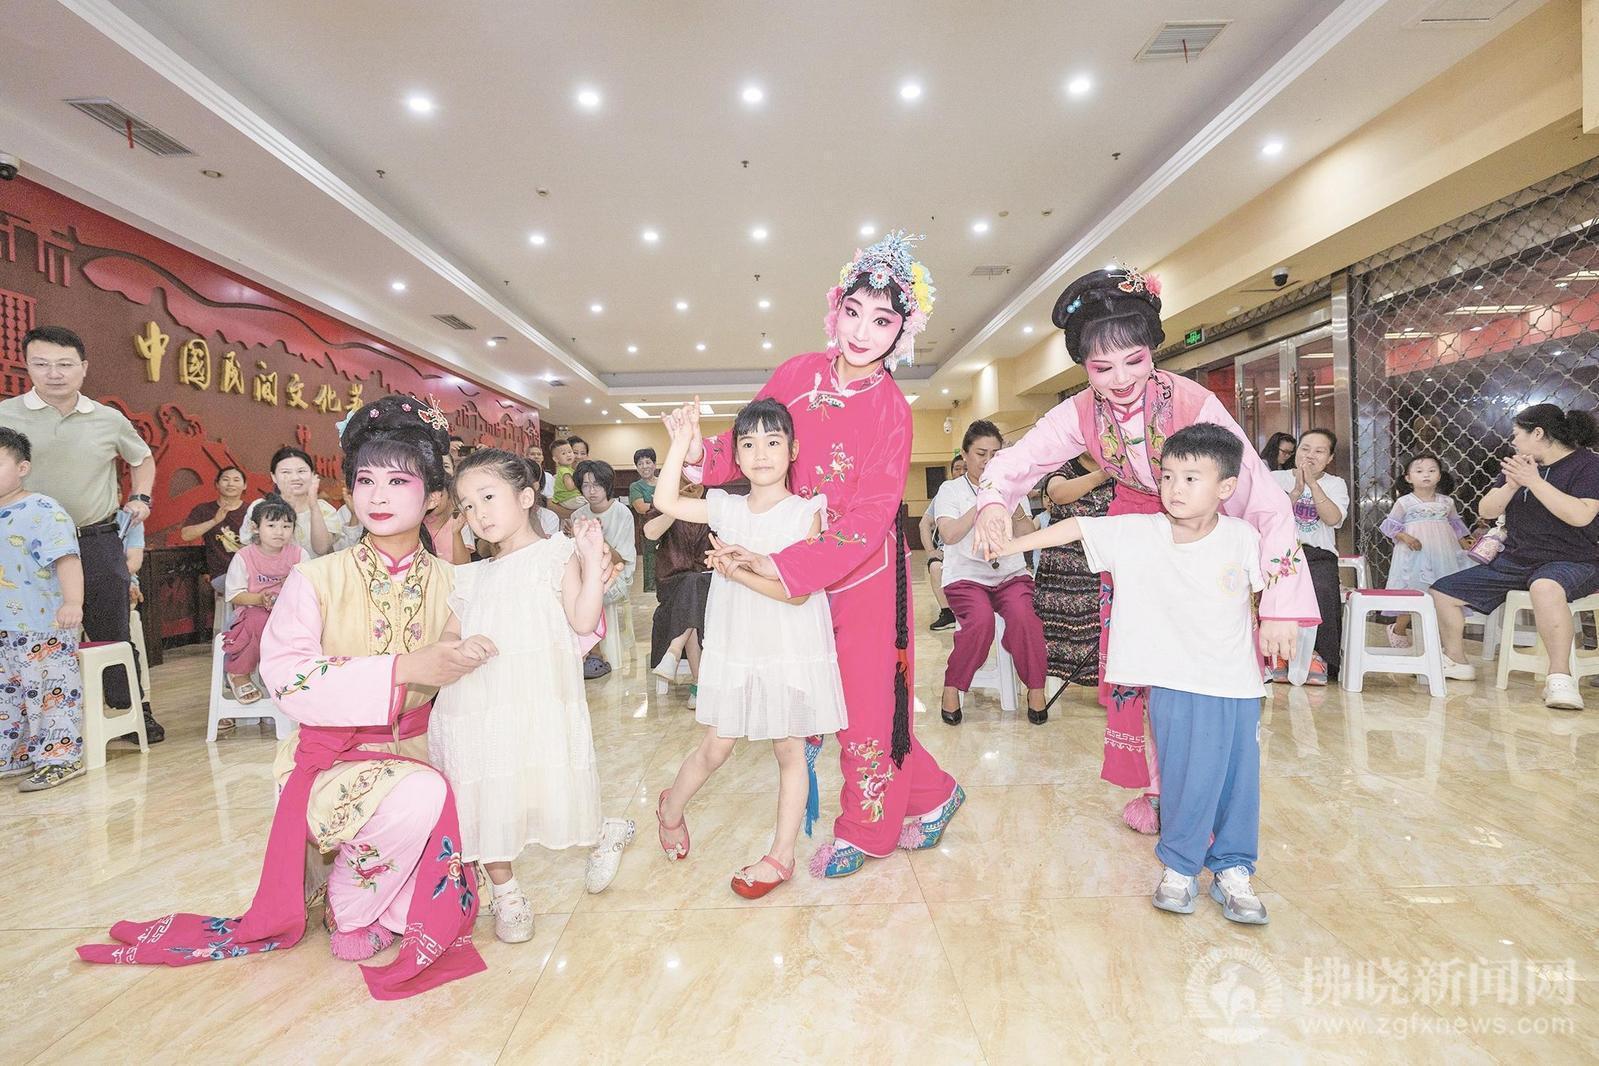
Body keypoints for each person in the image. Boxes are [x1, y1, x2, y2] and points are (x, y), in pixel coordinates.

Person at [80, 395, 489, 998]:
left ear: (431, 496)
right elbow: (289, 679)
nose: (377, 496)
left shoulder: (458, 582)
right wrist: (404, 667)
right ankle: (351, 906)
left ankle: (381, 894)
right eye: (365, 480)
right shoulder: (315, 577)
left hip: (428, 744)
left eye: (398, 481)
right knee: (422, 794)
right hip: (334, 758)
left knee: (466, 794)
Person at [970, 268, 1313, 836]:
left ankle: (1209, 794)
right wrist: (991, 504)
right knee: (1145, 662)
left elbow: (1263, 499)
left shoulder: (1195, 402)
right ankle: (1158, 791)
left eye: (1135, 360)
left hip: (1205, 541)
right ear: (1083, 367)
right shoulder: (1080, 412)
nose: (1122, 378)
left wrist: (1280, 603)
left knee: (1206, 670)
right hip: (1137, 537)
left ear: (1153, 347)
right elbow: (1017, 462)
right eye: (1102, 368)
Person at [670, 231, 962, 879]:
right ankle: (934, 792)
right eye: (853, 312)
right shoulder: (798, 373)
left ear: (902, 331)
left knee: (862, 707)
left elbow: (870, 517)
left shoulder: (892, 411)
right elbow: (753, 438)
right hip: (786, 562)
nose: (861, 331)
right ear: (836, 309)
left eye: (881, 320)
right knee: (816, 699)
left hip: (860, 575)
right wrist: (699, 454)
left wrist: (788, 568)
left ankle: (867, 828)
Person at [992, 423, 1269, 925]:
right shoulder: (1142, 532)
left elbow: (1277, 582)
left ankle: (1233, 868)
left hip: (1236, 685)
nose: (1175, 489)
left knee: (1238, 782)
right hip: (1173, 683)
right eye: (1167, 477)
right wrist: (1010, 545)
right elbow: (1077, 528)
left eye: (1191, 478)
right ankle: (1180, 867)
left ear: (1226, 487)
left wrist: (1281, 624)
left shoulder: (1244, 537)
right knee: (1181, 780)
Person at [431, 449, 635, 944]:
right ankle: (507, 894)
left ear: (525, 498)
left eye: (488, 497)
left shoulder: (555, 555)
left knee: (547, 782)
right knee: (483, 797)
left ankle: (602, 831)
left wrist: (591, 561)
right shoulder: (470, 575)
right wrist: (457, 646)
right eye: (467, 505)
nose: (478, 513)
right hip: (477, 705)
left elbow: (583, 620)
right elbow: (446, 639)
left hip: (538, 697)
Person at [654, 399, 847, 898]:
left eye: (773, 441)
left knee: (790, 749)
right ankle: (669, 810)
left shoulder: (808, 512)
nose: (761, 453)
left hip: (790, 642)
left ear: (793, 450)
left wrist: (738, 571)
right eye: (748, 443)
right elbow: (667, 500)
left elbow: (797, 593)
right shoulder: (726, 506)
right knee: (717, 746)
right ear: (736, 456)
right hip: (738, 643)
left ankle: (781, 856)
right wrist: (682, 442)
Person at [0, 326, 162, 743]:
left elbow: (141, 459)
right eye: (42, 364)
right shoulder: (5, 415)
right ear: (27, 366)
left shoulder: (108, 419)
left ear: (84, 368)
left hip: (95, 538)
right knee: (25, 633)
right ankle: (28, 727)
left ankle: (131, 712)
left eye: (64, 364)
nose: (54, 373)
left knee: (112, 628)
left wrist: (140, 496)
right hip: (22, 548)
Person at [1430, 405, 1599, 711]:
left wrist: (1534, 482)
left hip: (1574, 560)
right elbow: (1486, 511)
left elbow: (1580, 515)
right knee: (1443, 592)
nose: (1513, 442)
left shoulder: (1587, 464)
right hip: (1518, 560)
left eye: (1517, 435)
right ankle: (1456, 660)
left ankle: (1560, 678)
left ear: (1538, 433)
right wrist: (1510, 485)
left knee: (1544, 586)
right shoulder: (1520, 465)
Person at [931, 420, 1050, 725]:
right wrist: (985, 500)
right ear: (965, 454)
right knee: (980, 621)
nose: (987, 461)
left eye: (994, 455)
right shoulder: (950, 490)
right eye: (980, 454)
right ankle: (953, 685)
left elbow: (1026, 535)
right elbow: (949, 535)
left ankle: (1036, 688)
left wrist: (1013, 504)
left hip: (1009, 574)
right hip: (966, 577)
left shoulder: (1011, 487)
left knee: (1025, 618)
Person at [0, 427, 87, 792]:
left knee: (52, 693)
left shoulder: (43, 510)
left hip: (43, 625)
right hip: (5, 627)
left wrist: (73, 602)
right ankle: (15, 756)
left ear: (22, 468)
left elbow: (66, 558)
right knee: (9, 695)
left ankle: (60, 758)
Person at [1269, 429, 1348, 686]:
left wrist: (1313, 485)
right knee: (1276, 592)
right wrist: (1295, 492)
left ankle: (1318, 655)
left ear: (1330, 458)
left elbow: (1333, 519)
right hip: (1281, 552)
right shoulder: (1275, 478)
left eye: (1319, 451)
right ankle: (1279, 653)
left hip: (1318, 555)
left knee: (1321, 588)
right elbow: (1270, 518)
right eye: (1305, 449)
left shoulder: (1335, 484)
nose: (1310, 455)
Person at [1033, 455, 1115, 690]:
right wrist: (1105, 473)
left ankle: (1111, 687)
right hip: (1066, 570)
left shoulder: (1123, 469)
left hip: (1106, 563)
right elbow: (1058, 493)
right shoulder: (1063, 466)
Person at [220, 494, 303, 713]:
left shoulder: (298, 554)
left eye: (286, 526)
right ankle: (239, 673)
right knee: (258, 621)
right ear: (256, 528)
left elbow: (310, 586)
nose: (279, 531)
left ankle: (292, 674)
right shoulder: (244, 556)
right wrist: (259, 599)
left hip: (289, 612)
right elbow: (235, 595)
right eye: (272, 525)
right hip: (252, 610)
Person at [1382, 453, 1472, 647]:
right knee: (1413, 590)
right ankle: (1398, 629)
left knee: (1443, 592)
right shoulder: (1404, 502)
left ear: (1439, 476)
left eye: (1432, 471)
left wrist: (1465, 544)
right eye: (1419, 471)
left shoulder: (1447, 502)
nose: (1426, 474)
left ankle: (1441, 639)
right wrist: (1406, 537)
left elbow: (1456, 526)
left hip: (1443, 554)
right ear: (1408, 478)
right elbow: (1390, 526)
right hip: (1414, 554)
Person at [645, 480, 713, 709]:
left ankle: (673, 653)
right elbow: (651, 533)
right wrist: (674, 504)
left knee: (694, 587)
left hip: (708, 581)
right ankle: (698, 684)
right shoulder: (664, 499)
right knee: (691, 591)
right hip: (672, 583)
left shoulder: (714, 500)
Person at [572, 458, 637, 680]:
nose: (591, 491)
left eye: (597, 485)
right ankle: (583, 654)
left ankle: (594, 653)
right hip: (587, 575)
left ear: (607, 485)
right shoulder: (578, 515)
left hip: (616, 575)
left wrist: (600, 539)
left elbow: (623, 560)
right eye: (586, 485)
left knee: (589, 593)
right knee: (569, 592)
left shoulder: (622, 513)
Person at [239, 446, 346, 559]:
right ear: (274, 477)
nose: (295, 477)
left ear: (312, 474)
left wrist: (313, 504)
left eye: (301, 471)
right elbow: (250, 549)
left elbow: (321, 549)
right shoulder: (260, 507)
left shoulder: (324, 509)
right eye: (286, 472)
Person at [180, 465, 248, 601]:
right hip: (221, 574)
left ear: (244, 485)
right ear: (217, 484)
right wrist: (214, 521)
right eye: (226, 479)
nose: (230, 484)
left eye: (236, 480)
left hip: (250, 572)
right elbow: (185, 535)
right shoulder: (204, 510)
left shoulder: (253, 510)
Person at [919, 453, 966, 632]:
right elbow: (924, 524)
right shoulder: (944, 494)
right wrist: (931, 551)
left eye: (965, 468)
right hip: (947, 549)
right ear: (951, 472)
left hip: (972, 549)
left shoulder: (980, 490)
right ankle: (947, 614)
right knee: (935, 566)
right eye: (957, 469)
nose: (961, 472)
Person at [630, 447, 661, 592]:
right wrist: (664, 504)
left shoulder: (664, 482)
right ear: (637, 467)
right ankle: (651, 588)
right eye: (640, 464)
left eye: (648, 462)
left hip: (669, 527)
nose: (644, 466)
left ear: (654, 464)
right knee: (650, 559)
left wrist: (655, 504)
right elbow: (641, 507)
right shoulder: (635, 486)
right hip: (648, 529)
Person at [549, 438, 581, 515]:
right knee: (590, 502)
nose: (568, 455)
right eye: (563, 453)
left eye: (570, 452)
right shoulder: (564, 471)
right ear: (556, 459)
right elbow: (570, 487)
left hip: (569, 499)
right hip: (569, 499)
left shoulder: (568, 469)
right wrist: (581, 481)